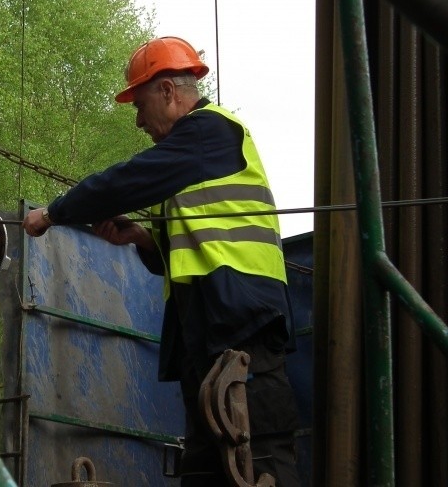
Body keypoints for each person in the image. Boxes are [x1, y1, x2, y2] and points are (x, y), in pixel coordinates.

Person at [23, 36, 301, 486]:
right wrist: (141, 239)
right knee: (208, 468)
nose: (137, 120)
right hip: (206, 336)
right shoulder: (189, 162)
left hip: (242, 327)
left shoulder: (211, 130)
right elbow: (190, 247)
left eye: (139, 103)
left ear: (168, 92)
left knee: (261, 459)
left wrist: (54, 213)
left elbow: (130, 179)